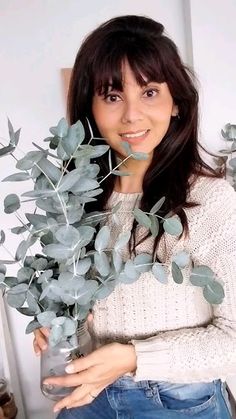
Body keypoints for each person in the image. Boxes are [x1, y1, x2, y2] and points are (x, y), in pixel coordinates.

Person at [33, 15, 236, 418]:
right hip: (87, 398)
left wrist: (132, 358)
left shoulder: (210, 201)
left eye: (149, 92)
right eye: (111, 96)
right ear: (89, 107)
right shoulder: (73, 203)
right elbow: (86, 315)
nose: (131, 115)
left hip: (180, 404)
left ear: (176, 102)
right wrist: (58, 322)